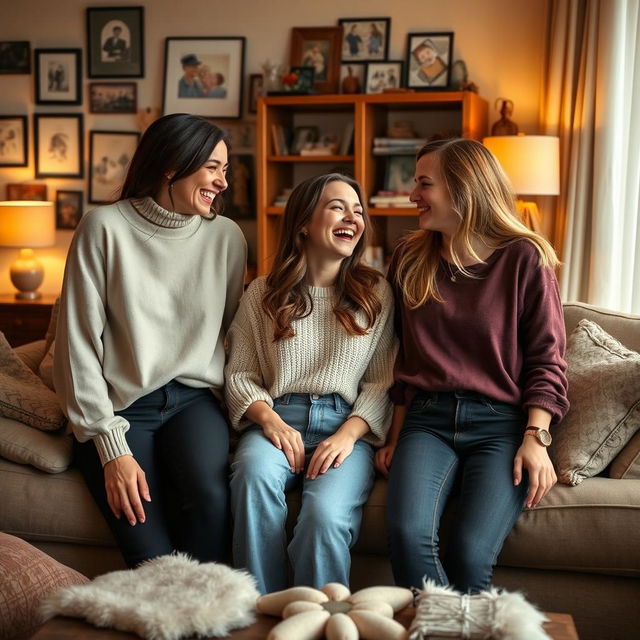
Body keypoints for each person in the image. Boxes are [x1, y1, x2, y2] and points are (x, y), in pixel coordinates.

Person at [375, 138, 569, 594]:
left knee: (469, 552)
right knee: (407, 537)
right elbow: (399, 355)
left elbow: (547, 359)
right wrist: (396, 432)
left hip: (500, 425)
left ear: (464, 189)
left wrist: (536, 438)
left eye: (424, 183)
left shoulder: (525, 258)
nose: (412, 195)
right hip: (427, 421)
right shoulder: (408, 257)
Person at [53, 113, 247, 568]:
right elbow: (77, 346)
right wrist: (110, 447)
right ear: (172, 165)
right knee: (151, 554)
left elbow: (235, 334)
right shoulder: (102, 228)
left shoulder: (227, 238)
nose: (223, 182)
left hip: (194, 402)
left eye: (225, 170)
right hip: (122, 406)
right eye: (213, 168)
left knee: (210, 513)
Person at [225, 173, 396, 594]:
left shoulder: (376, 292)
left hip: (346, 426)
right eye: (338, 206)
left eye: (358, 210)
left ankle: (318, 619)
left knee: (323, 518)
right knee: (252, 476)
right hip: (276, 419)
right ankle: (260, 611)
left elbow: (381, 383)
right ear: (304, 222)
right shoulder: (263, 293)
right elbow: (240, 374)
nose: (352, 218)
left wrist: (347, 437)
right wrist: (270, 421)